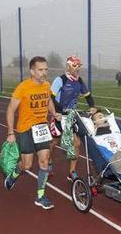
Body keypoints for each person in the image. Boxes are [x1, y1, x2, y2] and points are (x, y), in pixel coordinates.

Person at [5, 56, 62, 210]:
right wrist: (11, 132)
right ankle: (15, 173)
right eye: (40, 70)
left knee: (44, 161)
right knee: (27, 165)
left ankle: (40, 196)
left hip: (41, 128)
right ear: (32, 71)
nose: (44, 73)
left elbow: (48, 100)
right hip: (25, 129)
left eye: (46, 69)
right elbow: (11, 109)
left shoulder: (46, 85)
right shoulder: (23, 87)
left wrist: (54, 112)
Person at [49, 55, 97, 181]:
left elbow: (88, 96)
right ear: (68, 66)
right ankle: (48, 160)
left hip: (71, 115)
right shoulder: (60, 80)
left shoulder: (79, 81)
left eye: (79, 66)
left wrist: (92, 106)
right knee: (55, 142)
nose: (77, 69)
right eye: (75, 66)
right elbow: (51, 98)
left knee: (76, 143)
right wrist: (58, 111)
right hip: (59, 115)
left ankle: (72, 172)